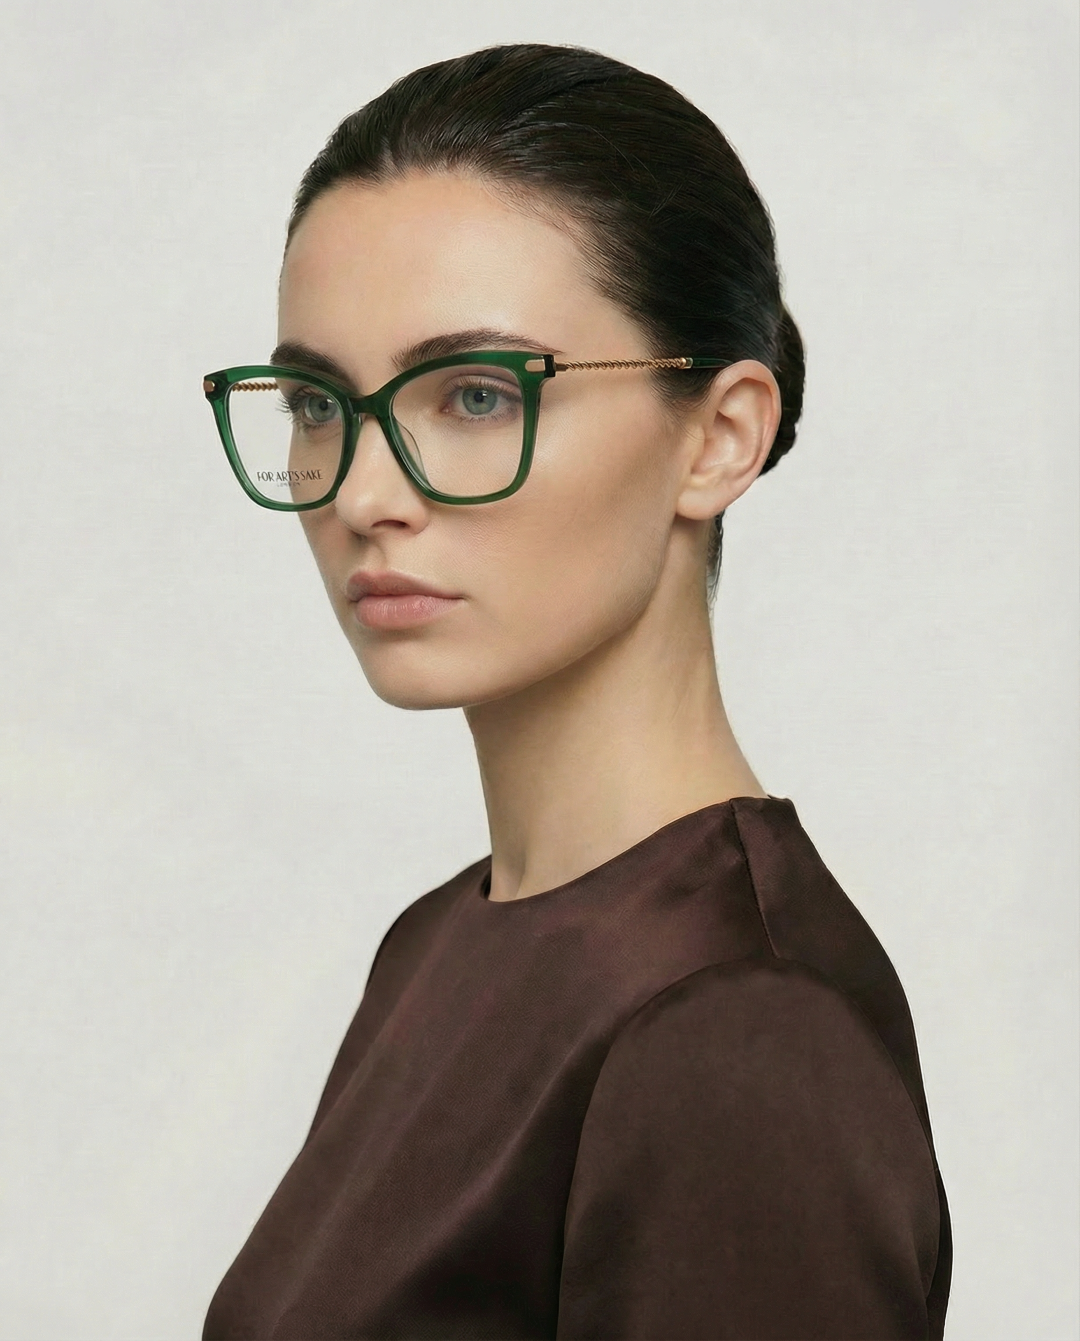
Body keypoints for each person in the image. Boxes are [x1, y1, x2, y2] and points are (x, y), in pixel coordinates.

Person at [200, 41, 951, 1340]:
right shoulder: (444, 944)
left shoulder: (734, 1033)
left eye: (478, 393)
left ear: (721, 438)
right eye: (319, 402)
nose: (367, 495)